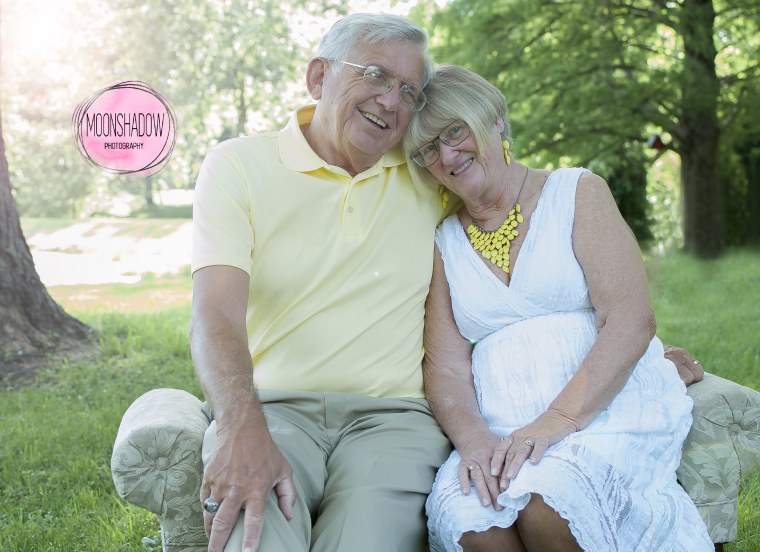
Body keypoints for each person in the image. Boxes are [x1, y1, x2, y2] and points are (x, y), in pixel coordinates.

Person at [190, 13, 703, 552]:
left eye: (408, 90)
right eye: (375, 74)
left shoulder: (451, 178)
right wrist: (237, 423)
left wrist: (639, 353)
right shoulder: (245, 167)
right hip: (283, 409)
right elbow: (215, 316)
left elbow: (607, 300)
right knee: (256, 539)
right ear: (318, 77)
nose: (391, 101)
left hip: (393, 423)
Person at [403, 64, 712, 551]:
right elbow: (444, 365)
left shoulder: (576, 191)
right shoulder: (444, 240)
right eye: (427, 148)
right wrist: (473, 440)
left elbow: (631, 318)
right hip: (500, 428)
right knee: (475, 527)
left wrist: (555, 422)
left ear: (495, 120)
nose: (446, 154)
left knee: (551, 510)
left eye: (455, 130)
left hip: (601, 411)